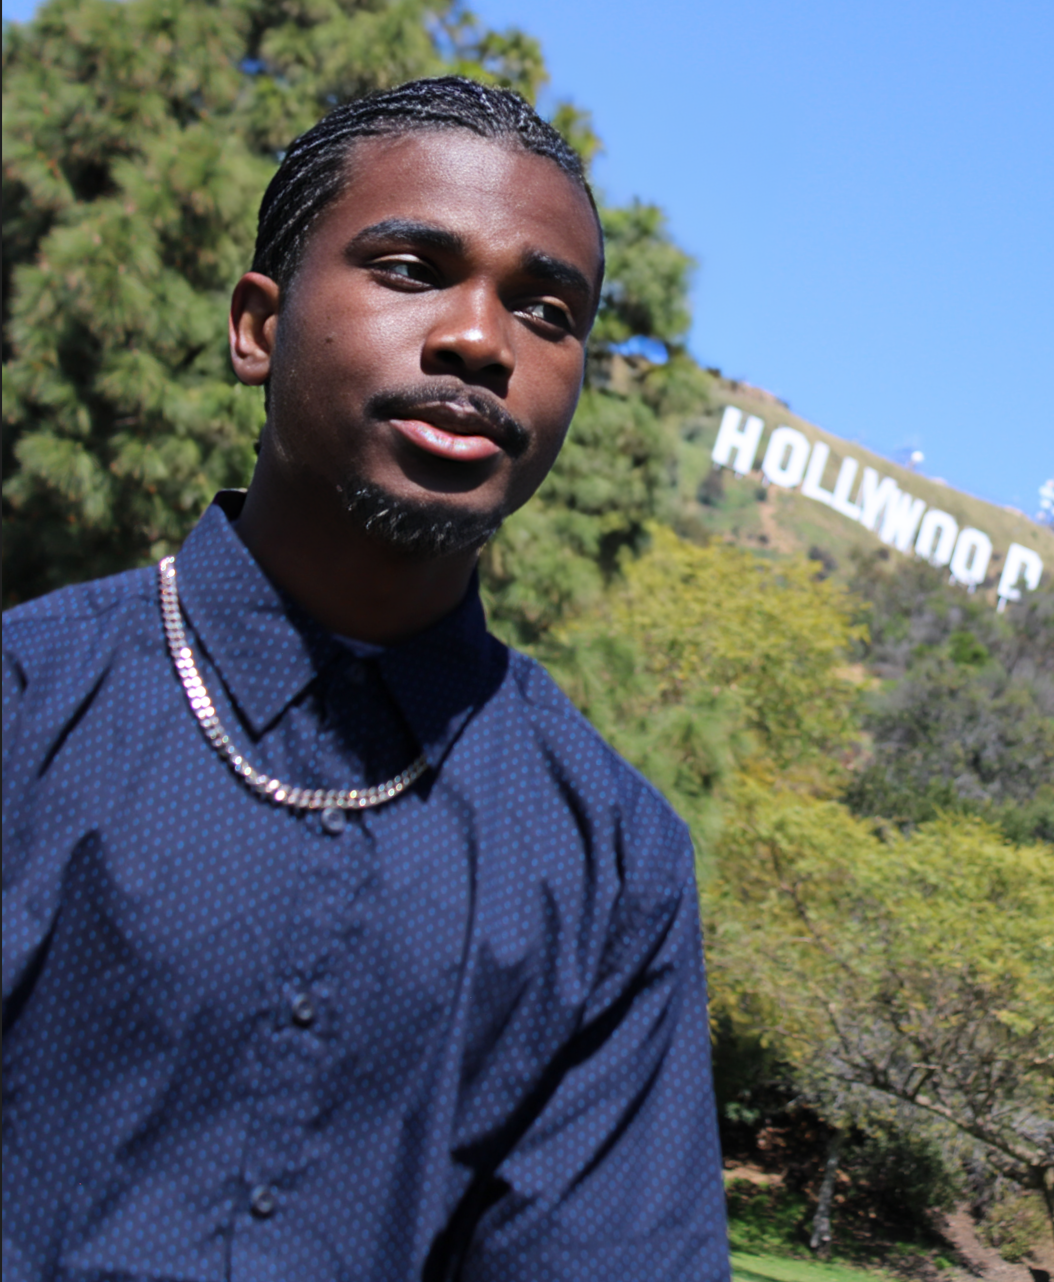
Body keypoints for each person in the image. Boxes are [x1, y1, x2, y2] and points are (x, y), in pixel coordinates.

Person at [2, 77, 729, 1280]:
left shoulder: (612, 869)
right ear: (256, 327)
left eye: (549, 312)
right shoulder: (30, 709)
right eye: (409, 268)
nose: (482, 341)